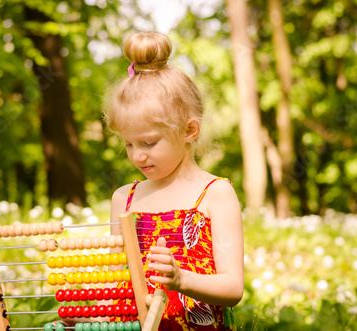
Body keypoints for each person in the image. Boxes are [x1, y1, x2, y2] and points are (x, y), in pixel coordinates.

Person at [105, 31, 244, 331]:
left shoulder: (214, 194)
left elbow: (233, 288)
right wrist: (89, 314)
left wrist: (181, 279)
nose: (137, 156)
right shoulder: (124, 199)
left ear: (189, 130)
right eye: (129, 145)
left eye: (149, 143)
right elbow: (118, 286)